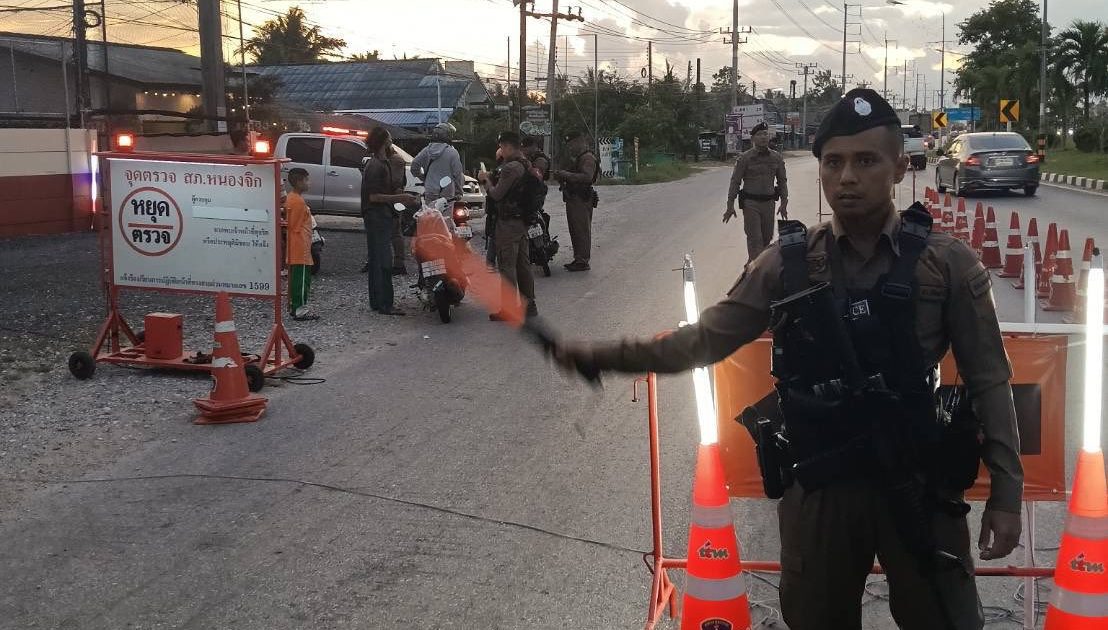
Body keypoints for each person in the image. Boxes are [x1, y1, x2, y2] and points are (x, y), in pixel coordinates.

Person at [552, 89, 1023, 630]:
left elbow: (990, 380)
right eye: (833, 163)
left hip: (917, 481)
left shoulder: (947, 263)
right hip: (821, 488)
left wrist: (1006, 495)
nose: (847, 177)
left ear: (899, 167)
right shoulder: (788, 263)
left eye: (866, 161)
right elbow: (706, 339)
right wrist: (605, 357)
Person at [478, 132, 537, 320]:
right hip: (521, 221)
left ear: (508, 147)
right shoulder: (526, 163)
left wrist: (486, 181)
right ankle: (529, 305)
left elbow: (497, 195)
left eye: (502, 147)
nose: (501, 151)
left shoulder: (510, 168)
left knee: (507, 266)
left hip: (508, 223)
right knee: (523, 265)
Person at [361, 127, 418, 316]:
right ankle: (385, 304)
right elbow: (374, 197)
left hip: (380, 216)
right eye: (389, 137)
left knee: (377, 259)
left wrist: (400, 195)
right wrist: (400, 198)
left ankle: (377, 302)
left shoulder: (382, 162)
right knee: (383, 260)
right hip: (377, 216)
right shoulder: (375, 165)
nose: (392, 140)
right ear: (384, 140)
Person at [724, 121, 789, 261]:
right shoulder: (745, 158)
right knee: (755, 239)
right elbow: (735, 182)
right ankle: (756, 269)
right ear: (753, 138)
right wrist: (730, 205)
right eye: (759, 134)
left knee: (767, 238)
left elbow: (782, 181)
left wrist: (784, 203)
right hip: (751, 204)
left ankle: (753, 265)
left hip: (769, 203)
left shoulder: (776, 157)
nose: (763, 137)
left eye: (765, 134)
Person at [551, 130, 599, 272]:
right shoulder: (580, 158)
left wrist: (566, 174)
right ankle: (579, 258)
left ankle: (582, 260)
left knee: (581, 229)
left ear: (579, 142)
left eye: (572, 144)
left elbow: (587, 177)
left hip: (581, 198)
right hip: (574, 197)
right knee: (575, 229)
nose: (570, 148)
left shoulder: (587, 158)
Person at [285, 168, 318, 321]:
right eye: (306, 180)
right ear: (299, 182)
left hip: (296, 245)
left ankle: (295, 306)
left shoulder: (292, 198)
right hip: (300, 245)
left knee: (297, 278)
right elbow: (295, 225)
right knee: (302, 279)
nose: (308, 183)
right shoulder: (298, 201)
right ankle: (300, 309)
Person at [411, 122, 465, 205]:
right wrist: (459, 192)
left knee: (430, 212)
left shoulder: (426, 150)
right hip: (447, 193)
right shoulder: (453, 152)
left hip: (430, 191)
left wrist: (424, 178)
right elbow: (457, 174)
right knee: (445, 213)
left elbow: (414, 166)